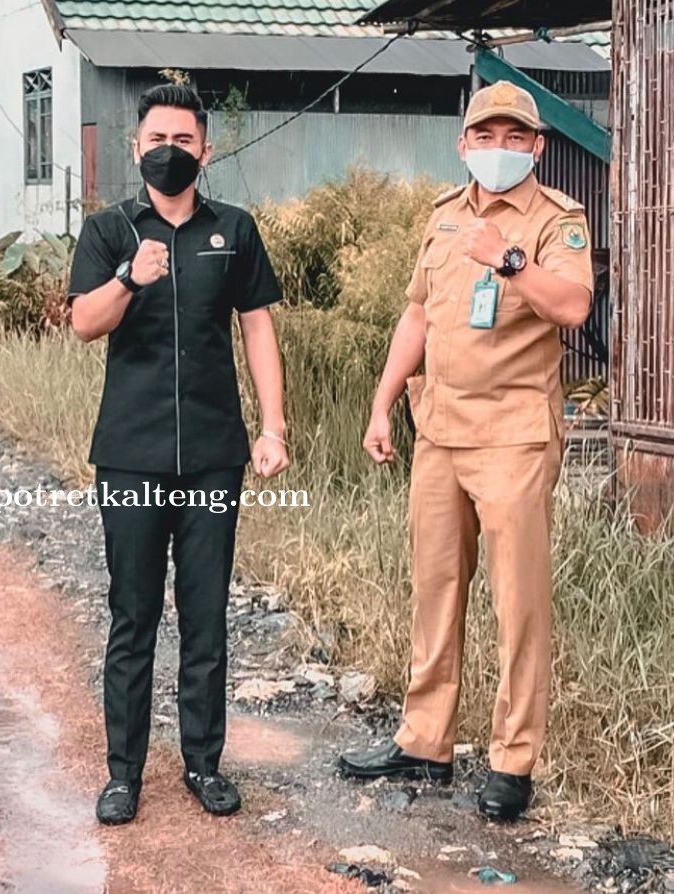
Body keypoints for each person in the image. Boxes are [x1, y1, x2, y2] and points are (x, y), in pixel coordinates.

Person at [337, 81, 594, 821]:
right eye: (485, 135)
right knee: (436, 588)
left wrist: (509, 258)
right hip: (440, 431)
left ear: (537, 146)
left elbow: (574, 306)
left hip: (513, 435)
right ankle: (426, 741)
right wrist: (383, 402)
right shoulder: (445, 215)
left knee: (519, 604)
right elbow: (418, 313)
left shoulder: (556, 219)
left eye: (514, 137)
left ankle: (513, 761)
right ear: (463, 144)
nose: (498, 149)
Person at [68, 84, 291, 825]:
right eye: (158, 139)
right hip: (130, 454)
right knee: (132, 615)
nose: (170, 151)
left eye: (184, 140)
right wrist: (129, 276)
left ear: (206, 150)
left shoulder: (234, 229)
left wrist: (272, 427)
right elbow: (83, 323)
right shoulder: (108, 229)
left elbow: (257, 327)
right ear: (136, 147)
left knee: (206, 614)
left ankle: (204, 763)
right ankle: (123, 774)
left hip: (212, 453)